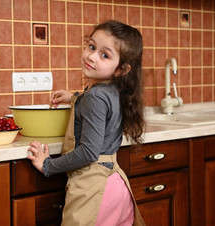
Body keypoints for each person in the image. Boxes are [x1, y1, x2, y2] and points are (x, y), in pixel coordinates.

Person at [27, 20, 146, 226]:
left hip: (94, 190)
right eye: (92, 46)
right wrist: (72, 97)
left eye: (104, 55)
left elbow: (89, 152)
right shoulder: (113, 91)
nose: (91, 56)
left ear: (121, 70)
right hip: (115, 184)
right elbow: (98, 107)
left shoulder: (95, 97)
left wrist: (48, 165)